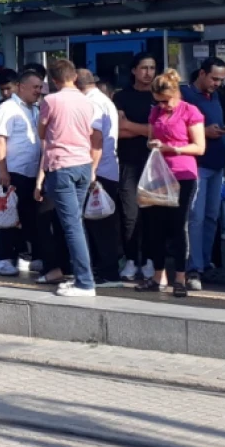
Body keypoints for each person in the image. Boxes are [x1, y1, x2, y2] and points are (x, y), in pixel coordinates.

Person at [34, 61, 98, 295]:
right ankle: (82, 276)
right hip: (83, 163)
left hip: (61, 164)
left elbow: (41, 132)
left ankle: (85, 282)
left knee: (72, 226)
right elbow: (91, 131)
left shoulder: (50, 101)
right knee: (76, 224)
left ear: (54, 80)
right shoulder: (86, 100)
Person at [138, 70, 205, 295]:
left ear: (176, 93)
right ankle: (158, 276)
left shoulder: (190, 111)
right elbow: (149, 138)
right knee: (155, 226)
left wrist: (173, 148)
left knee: (178, 225)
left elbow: (199, 146)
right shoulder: (155, 111)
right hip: (159, 172)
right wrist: (153, 145)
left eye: (166, 101)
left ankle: (181, 277)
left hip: (183, 172)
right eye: (158, 102)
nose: (163, 106)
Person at [182, 57, 225, 289]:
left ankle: (204, 263)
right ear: (201, 73)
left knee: (211, 217)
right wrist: (203, 131)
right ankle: (193, 267)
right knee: (196, 217)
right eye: (214, 78)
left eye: (221, 80)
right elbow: (173, 127)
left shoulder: (217, 97)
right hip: (196, 164)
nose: (217, 83)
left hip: (216, 164)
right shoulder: (185, 96)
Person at [0, 70, 44, 276]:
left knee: (29, 216)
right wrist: (3, 170)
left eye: (40, 87)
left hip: (30, 170)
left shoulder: (35, 110)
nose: (38, 91)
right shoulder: (7, 108)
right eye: (35, 87)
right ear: (21, 86)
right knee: (9, 215)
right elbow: (0, 139)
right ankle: (1, 258)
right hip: (12, 170)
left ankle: (26, 255)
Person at [113, 53, 158, 282]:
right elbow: (118, 131)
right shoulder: (121, 97)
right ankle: (131, 259)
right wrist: (146, 129)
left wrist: (132, 126)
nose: (148, 73)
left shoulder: (159, 97)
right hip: (128, 162)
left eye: (152, 68)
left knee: (151, 214)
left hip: (155, 164)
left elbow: (161, 131)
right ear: (133, 70)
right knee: (130, 214)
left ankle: (149, 259)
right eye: (144, 68)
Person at [77, 69, 122, 286]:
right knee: (102, 222)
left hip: (99, 171)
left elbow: (96, 138)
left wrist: (91, 171)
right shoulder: (104, 100)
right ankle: (105, 270)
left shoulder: (92, 103)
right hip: (108, 168)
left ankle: (108, 272)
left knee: (99, 224)